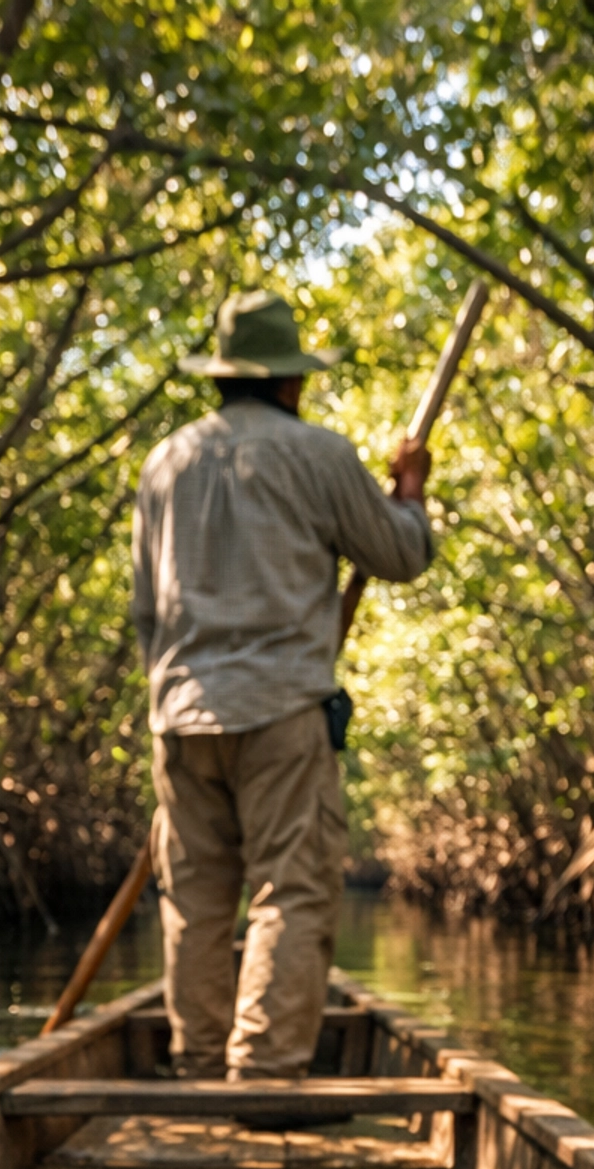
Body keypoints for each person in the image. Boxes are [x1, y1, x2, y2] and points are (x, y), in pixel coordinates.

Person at [131, 288, 434, 1079]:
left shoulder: (163, 462)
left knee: (194, 900)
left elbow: (144, 611)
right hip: (280, 714)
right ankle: (263, 1071)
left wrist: (169, 696)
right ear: (289, 381)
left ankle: (198, 1060)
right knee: (289, 892)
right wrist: (410, 491)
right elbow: (398, 555)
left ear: (221, 377)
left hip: (180, 714)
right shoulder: (319, 454)